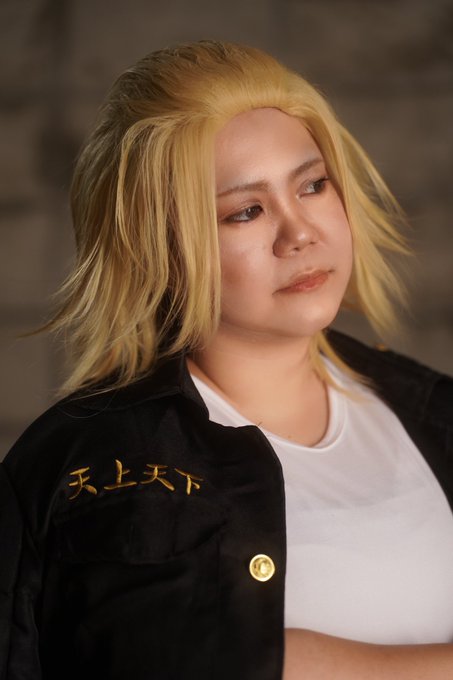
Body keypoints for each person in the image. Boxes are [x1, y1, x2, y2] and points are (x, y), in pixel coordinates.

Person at [1, 40, 452, 680]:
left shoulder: (435, 412)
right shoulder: (79, 472)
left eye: (313, 185)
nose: (301, 233)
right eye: (245, 212)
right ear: (162, 248)